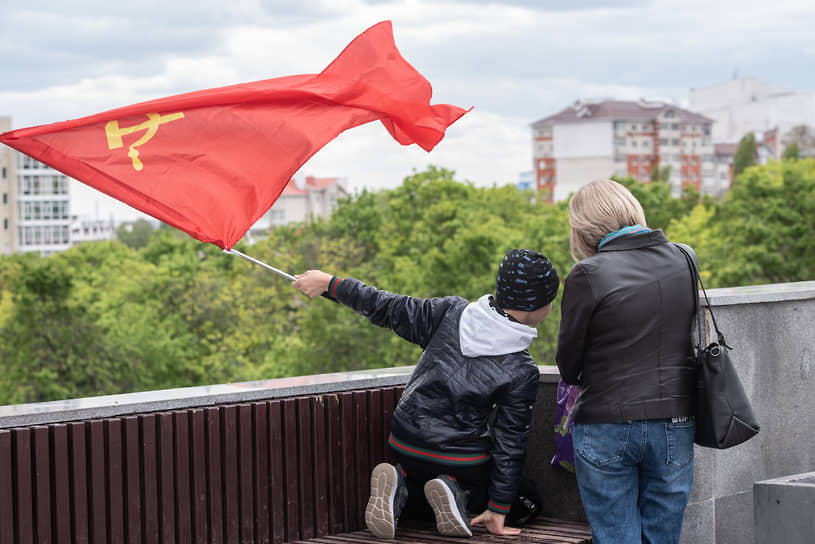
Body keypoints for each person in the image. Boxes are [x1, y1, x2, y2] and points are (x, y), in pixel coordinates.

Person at [292, 249, 559, 539]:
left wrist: (332, 284)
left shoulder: (449, 312)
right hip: (460, 457)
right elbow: (510, 442)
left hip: (405, 440)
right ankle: (457, 494)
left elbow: (386, 306)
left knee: (426, 486)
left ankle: (402, 484)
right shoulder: (522, 368)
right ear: (537, 307)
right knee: (527, 502)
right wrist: (499, 508)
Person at [556, 179, 697, 544]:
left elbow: (569, 368)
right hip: (675, 422)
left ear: (584, 229)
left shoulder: (587, 274)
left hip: (606, 425)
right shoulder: (685, 258)